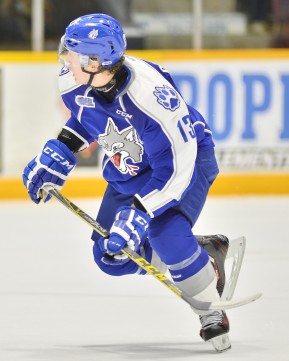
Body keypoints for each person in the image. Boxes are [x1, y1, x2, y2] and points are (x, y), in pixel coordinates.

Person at [22, 14, 230, 351]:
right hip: (130, 168)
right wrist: (64, 147)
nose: (64, 60)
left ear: (96, 62)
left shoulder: (151, 98)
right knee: (112, 257)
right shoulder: (75, 79)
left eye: (72, 54)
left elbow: (176, 168)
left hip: (185, 164)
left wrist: (140, 211)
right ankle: (204, 255)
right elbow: (88, 116)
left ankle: (209, 307)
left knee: (164, 233)